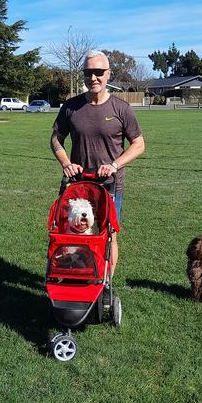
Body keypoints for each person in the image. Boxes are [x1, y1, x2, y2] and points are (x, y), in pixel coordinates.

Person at [50, 50, 145, 276]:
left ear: (108, 74)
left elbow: (139, 144)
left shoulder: (121, 109)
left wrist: (114, 164)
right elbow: (56, 138)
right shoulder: (70, 107)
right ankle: (72, 278)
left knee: (108, 235)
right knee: (68, 234)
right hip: (77, 186)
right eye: (88, 72)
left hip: (109, 187)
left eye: (99, 72)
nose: (93, 78)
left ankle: (105, 285)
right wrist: (65, 162)